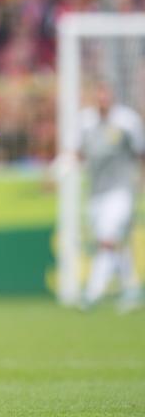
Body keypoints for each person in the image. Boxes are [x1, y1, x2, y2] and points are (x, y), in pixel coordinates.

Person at [78, 84, 144, 312]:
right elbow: (77, 152)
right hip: (96, 192)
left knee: (107, 241)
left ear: (112, 97)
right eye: (99, 95)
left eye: (106, 95)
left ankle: (92, 293)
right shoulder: (85, 122)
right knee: (112, 242)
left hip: (121, 190)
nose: (102, 99)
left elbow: (140, 153)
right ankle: (132, 288)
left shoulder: (128, 122)